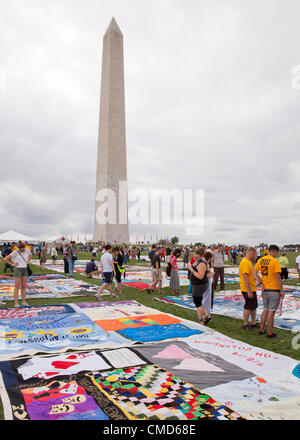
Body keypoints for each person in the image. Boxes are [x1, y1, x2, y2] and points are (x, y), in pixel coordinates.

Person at [254, 245, 284, 338]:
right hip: (274, 290)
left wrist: (261, 282)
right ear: (275, 251)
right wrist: (281, 290)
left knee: (266, 309)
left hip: (265, 289)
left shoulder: (261, 260)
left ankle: (262, 329)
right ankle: (270, 333)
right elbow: (278, 277)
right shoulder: (275, 261)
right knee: (271, 311)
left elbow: (254, 272)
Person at [4, 241, 32, 307]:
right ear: (18, 248)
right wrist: (12, 264)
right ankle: (16, 303)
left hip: (25, 269)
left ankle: (23, 301)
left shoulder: (27, 251)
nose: (22, 250)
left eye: (23, 249)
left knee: (23, 286)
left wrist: (28, 262)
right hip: (17, 270)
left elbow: (30, 256)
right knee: (17, 287)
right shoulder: (15, 252)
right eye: (21, 249)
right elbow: (5, 259)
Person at [188, 248, 211, 325]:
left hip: (199, 286)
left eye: (196, 257)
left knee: (198, 303)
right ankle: (207, 316)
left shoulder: (201, 263)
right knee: (199, 301)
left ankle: (201, 320)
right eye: (194, 256)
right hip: (199, 285)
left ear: (201, 256)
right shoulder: (199, 261)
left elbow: (200, 276)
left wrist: (191, 270)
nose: (195, 258)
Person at [239, 247, 258, 331]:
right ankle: (245, 324)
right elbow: (245, 278)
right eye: (256, 255)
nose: (256, 257)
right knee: (248, 306)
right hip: (248, 289)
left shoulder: (248, 262)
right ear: (251, 254)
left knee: (253, 307)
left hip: (251, 288)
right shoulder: (245, 263)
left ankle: (253, 322)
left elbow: (251, 275)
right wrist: (249, 292)